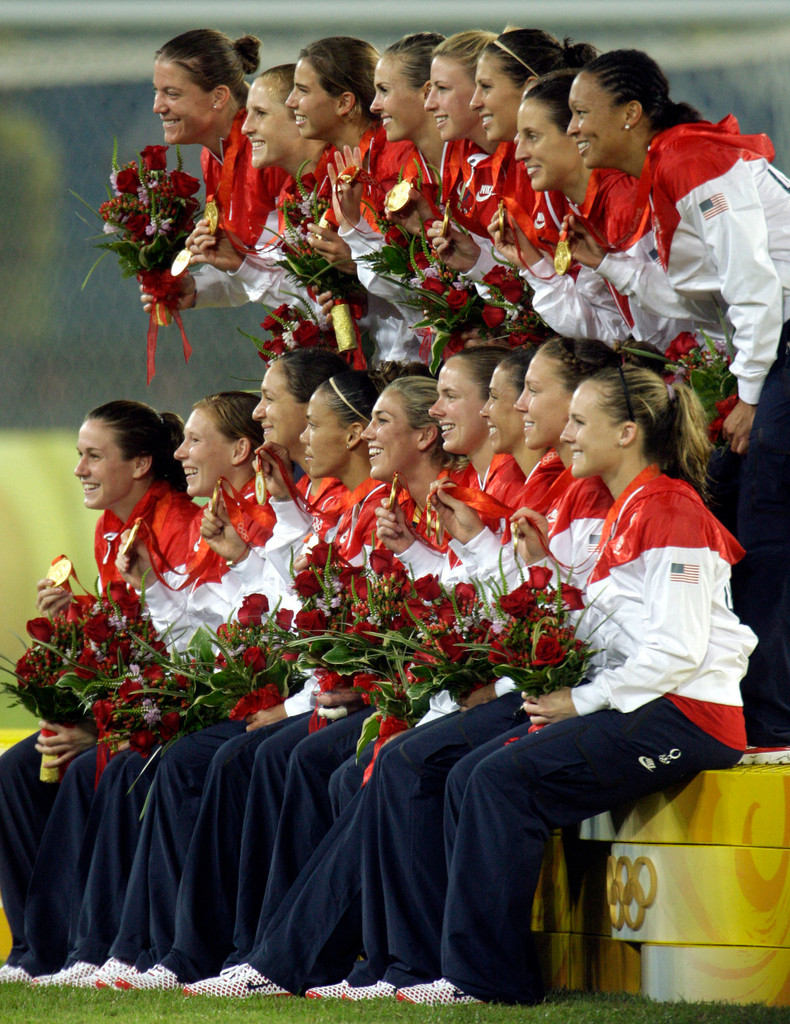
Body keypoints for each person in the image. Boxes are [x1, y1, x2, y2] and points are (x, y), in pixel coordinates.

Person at [397, 365, 756, 1005]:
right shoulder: (630, 509)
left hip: (690, 715)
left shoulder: (670, 507)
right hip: (650, 701)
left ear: (626, 432)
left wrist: (580, 700)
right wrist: (545, 573)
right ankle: (461, 970)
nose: (566, 435)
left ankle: (484, 981)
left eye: (581, 423)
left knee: (498, 780)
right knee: (469, 772)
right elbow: (614, 627)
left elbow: (678, 650)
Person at [47, 351, 349, 990]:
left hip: (290, 697)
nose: (180, 453)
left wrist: (292, 703)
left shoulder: (237, 517)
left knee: (177, 763)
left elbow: (262, 628)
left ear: (239, 450)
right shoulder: (243, 516)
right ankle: (95, 948)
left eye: (192, 440)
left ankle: (187, 953)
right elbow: (219, 625)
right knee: (59, 770)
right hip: (266, 693)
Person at [566, 49, 790, 746]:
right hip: (770, 348)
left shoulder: (690, 159)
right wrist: (604, 263)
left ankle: (770, 720)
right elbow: (696, 303)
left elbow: (755, 287)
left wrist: (748, 394)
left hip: (779, 344)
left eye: (581, 113)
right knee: (735, 495)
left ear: (630, 115)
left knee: (768, 514)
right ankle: (756, 705)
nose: (575, 129)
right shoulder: (662, 170)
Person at [0, 401, 193, 984]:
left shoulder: (180, 525)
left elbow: (186, 641)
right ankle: (36, 947)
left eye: (92, 456)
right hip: (134, 702)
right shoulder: (111, 526)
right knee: (15, 771)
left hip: (177, 710)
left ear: (138, 464)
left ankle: (81, 947)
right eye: (79, 455)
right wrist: (77, 613)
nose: (79, 469)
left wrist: (104, 729)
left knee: (89, 770)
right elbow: (126, 626)